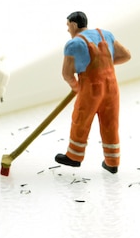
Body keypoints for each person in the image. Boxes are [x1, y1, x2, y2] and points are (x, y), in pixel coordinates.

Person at [55, 11, 131, 173]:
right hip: (111, 88)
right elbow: (126, 55)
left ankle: (74, 157)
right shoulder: (106, 35)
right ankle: (112, 162)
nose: (68, 30)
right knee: (110, 123)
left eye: (68, 26)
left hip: (90, 90)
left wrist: (76, 88)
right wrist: (107, 66)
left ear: (74, 25)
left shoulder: (73, 44)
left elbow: (67, 74)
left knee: (81, 120)